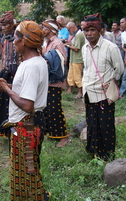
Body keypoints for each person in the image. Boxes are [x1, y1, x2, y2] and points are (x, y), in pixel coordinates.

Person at [0, 20, 50, 201]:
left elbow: (27, 105)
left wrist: (7, 90)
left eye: (15, 39)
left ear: (24, 41)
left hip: (27, 126)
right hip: (28, 124)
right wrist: (4, 85)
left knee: (27, 172)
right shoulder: (33, 62)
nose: (12, 42)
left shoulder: (31, 66)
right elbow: (24, 90)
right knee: (27, 169)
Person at [81, 16, 124, 161]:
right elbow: (86, 69)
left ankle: (107, 155)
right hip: (89, 92)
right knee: (92, 123)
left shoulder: (110, 47)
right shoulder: (84, 48)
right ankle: (93, 151)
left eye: (92, 30)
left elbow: (119, 69)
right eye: (86, 30)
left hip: (104, 94)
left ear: (100, 30)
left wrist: (110, 82)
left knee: (105, 125)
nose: (89, 34)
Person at [0, 11, 20, 145]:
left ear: (12, 24)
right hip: (5, 74)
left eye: (6, 24)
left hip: (17, 74)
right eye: (1, 25)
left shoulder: (19, 37)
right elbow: (3, 57)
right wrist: (2, 71)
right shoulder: (4, 39)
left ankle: (13, 134)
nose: (3, 27)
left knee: (14, 106)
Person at [42, 19, 70, 147]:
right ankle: (53, 133)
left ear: (50, 29)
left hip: (55, 81)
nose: (42, 29)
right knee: (48, 108)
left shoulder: (57, 43)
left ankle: (63, 136)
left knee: (55, 109)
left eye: (44, 27)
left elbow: (63, 60)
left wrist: (49, 64)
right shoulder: (48, 43)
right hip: (48, 81)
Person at [65, 22, 85, 99]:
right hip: (73, 59)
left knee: (77, 76)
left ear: (72, 28)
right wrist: (69, 43)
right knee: (70, 75)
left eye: (68, 29)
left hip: (78, 59)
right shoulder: (75, 35)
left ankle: (80, 92)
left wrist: (67, 45)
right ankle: (70, 90)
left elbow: (76, 48)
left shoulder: (79, 35)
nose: (68, 31)